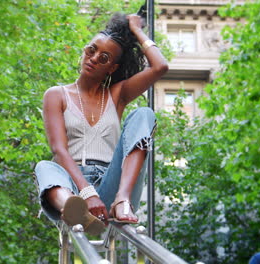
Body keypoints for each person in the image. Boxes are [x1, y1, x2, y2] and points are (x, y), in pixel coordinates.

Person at [35, 12, 168, 235]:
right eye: (91, 50)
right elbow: (59, 149)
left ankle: (122, 200)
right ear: (84, 51)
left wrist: (136, 30)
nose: (94, 58)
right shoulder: (56, 95)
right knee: (45, 166)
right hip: (74, 185)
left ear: (112, 68)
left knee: (144, 114)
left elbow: (160, 67)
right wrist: (87, 193)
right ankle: (74, 208)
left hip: (111, 183)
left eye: (104, 58)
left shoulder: (117, 95)